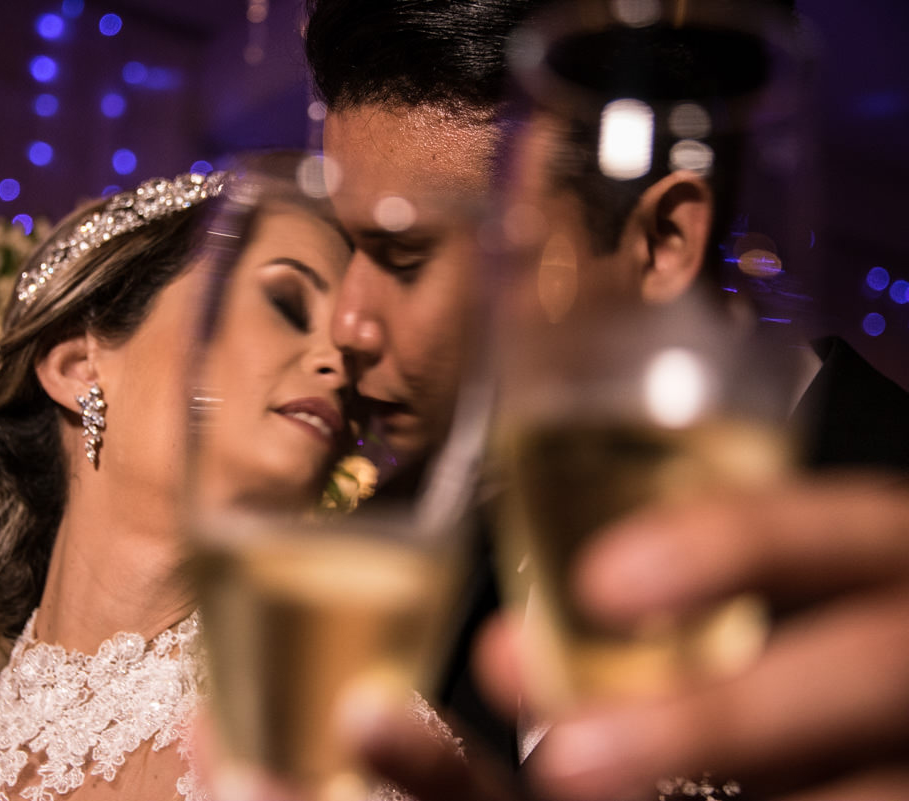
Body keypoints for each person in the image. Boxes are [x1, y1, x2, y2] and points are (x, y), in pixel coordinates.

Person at [302, 1, 909, 800]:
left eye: (406, 255)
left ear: (661, 243)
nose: (346, 321)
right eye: (351, 246)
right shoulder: (440, 564)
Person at [0, 162, 383, 801]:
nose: (337, 364)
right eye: (286, 303)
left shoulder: (343, 756)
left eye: (353, 345)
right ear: (77, 368)